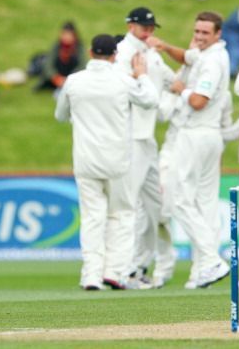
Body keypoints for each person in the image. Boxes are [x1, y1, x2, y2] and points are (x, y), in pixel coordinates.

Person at [54, 34, 158, 290]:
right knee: (122, 214)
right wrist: (142, 74)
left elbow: (60, 115)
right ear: (114, 55)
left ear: (90, 52)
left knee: (92, 217)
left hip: (86, 160)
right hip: (118, 160)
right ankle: (115, 271)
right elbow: (151, 100)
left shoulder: (74, 81)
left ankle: (91, 275)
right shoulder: (123, 80)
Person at [148, 11, 230, 289]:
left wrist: (181, 88)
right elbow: (187, 56)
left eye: (205, 33)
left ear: (218, 35)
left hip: (195, 135)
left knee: (180, 200)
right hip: (209, 137)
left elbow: (197, 101)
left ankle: (210, 260)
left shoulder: (212, 63)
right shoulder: (207, 54)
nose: (199, 37)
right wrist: (165, 47)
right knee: (204, 204)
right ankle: (201, 270)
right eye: (197, 32)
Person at [114, 7, 176, 289]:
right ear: (130, 26)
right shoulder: (122, 53)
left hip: (147, 138)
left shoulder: (152, 54)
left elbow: (173, 82)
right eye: (143, 26)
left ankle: (139, 266)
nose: (148, 31)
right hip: (129, 138)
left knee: (155, 207)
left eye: (151, 27)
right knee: (128, 206)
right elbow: (129, 93)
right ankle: (121, 269)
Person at [33, 22, 86, 97]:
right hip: (57, 78)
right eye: (64, 34)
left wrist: (69, 79)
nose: (66, 37)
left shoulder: (79, 47)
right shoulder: (57, 46)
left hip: (72, 78)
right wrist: (55, 77)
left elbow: (82, 66)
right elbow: (48, 64)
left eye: (69, 34)